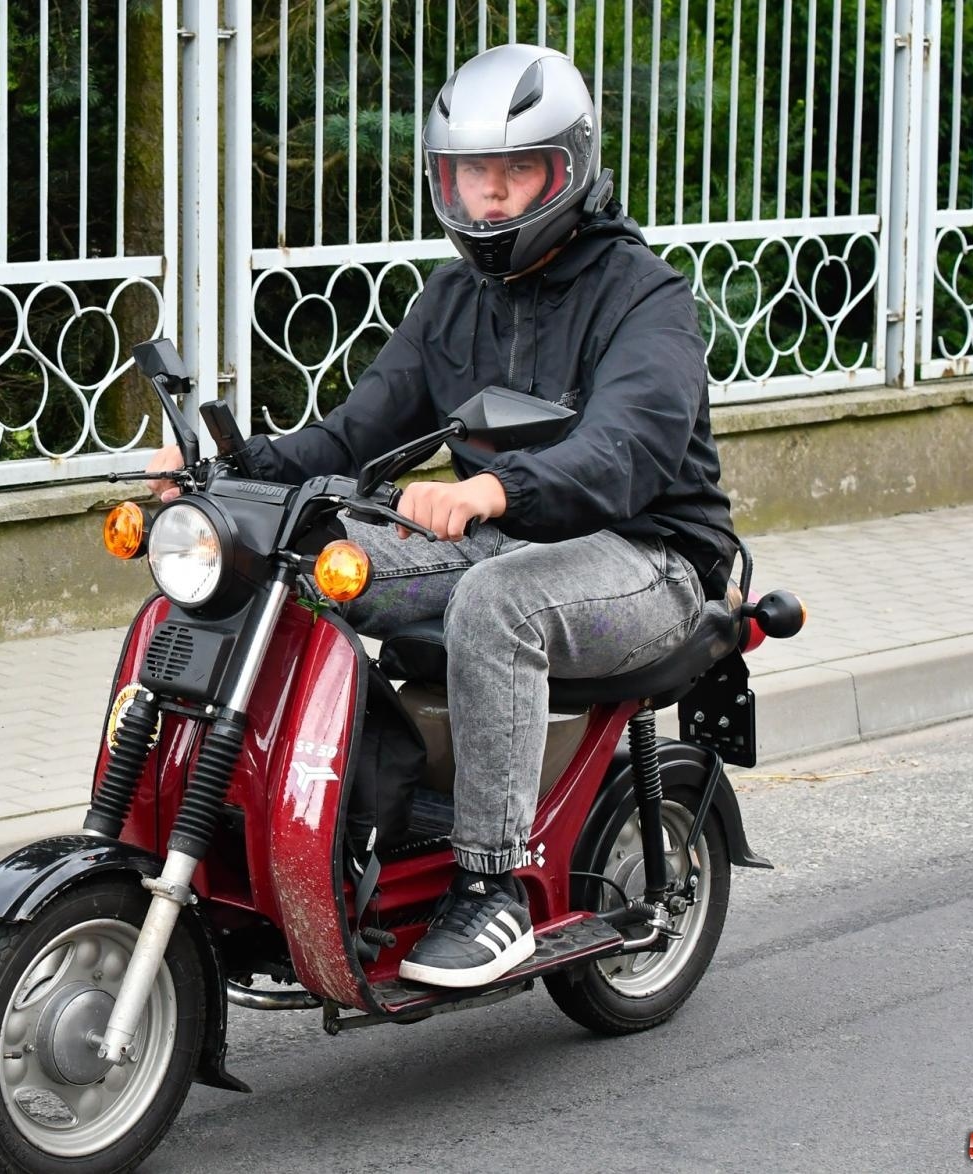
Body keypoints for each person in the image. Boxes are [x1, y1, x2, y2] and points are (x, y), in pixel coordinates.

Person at [146, 43, 738, 989]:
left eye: (516, 173)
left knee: (496, 606)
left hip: (648, 555)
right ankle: (340, 818)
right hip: (507, 539)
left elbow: (625, 448)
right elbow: (353, 434)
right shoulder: (453, 300)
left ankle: (492, 887)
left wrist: (492, 489)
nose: (490, 200)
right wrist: (227, 469)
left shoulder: (646, 299)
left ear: (570, 168)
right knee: (306, 560)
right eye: (470, 177)